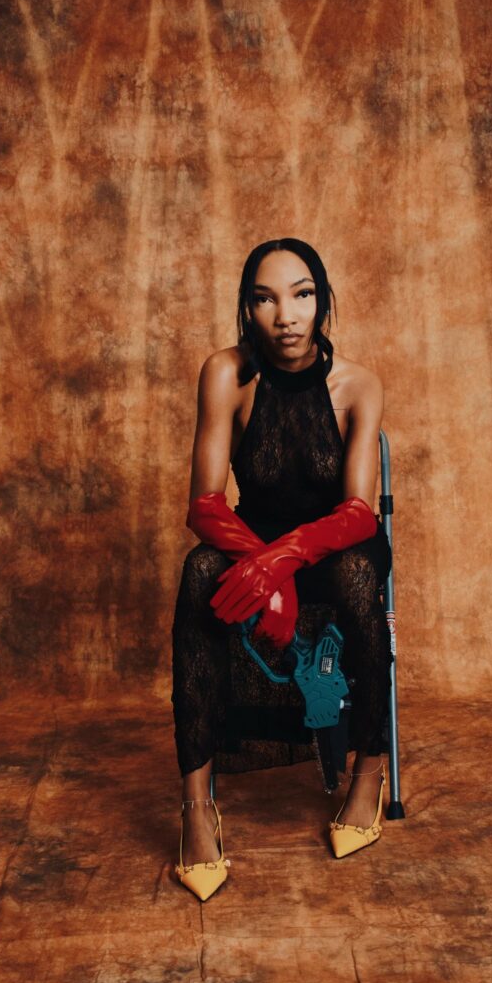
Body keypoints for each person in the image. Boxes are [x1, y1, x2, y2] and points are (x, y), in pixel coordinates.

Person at [170, 238, 393, 900]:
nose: (286, 315)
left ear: (322, 300)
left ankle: (368, 776)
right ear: (248, 308)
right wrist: (264, 567)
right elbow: (205, 504)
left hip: (334, 547)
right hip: (249, 539)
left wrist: (283, 565)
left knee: (358, 577)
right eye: (265, 299)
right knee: (198, 572)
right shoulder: (226, 373)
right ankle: (196, 808)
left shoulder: (358, 385)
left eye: (302, 294)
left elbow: (359, 513)